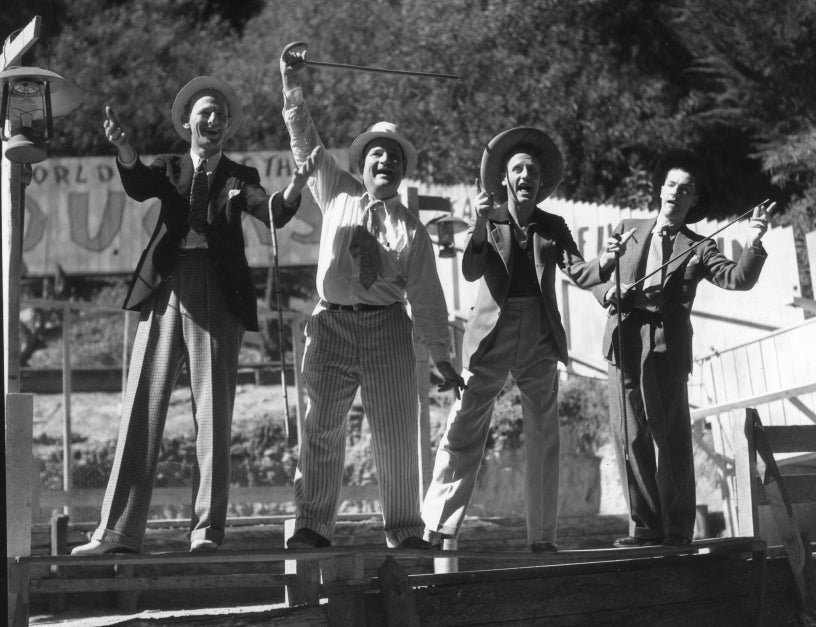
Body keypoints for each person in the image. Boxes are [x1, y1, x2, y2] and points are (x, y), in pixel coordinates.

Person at [72, 76, 320, 555]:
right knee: (141, 405)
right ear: (188, 122)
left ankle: (207, 531)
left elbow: (270, 210)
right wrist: (124, 149)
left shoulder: (239, 175)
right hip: (165, 289)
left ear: (227, 128)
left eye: (221, 115)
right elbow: (140, 183)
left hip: (218, 294)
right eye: (205, 112)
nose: (213, 120)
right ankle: (117, 533)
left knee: (213, 413)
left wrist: (294, 188)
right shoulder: (169, 166)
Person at [279, 46, 467, 549]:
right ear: (361, 163)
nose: (385, 160)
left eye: (395, 156)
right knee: (321, 428)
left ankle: (404, 531)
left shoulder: (412, 230)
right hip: (331, 325)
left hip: (388, 329)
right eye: (376, 153)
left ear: (402, 173)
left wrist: (444, 360)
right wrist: (291, 83)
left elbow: (427, 298)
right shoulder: (334, 189)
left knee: (397, 434)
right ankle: (313, 528)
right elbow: (304, 142)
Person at [421, 127, 628, 552]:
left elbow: (581, 272)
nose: (525, 177)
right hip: (490, 335)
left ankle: (542, 538)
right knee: (464, 425)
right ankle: (438, 527)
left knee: (544, 433)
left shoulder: (553, 225)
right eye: (517, 169)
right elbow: (471, 271)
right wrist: (479, 224)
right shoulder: (488, 218)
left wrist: (606, 263)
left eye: (532, 171)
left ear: (539, 182)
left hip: (538, 333)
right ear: (504, 178)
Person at [592, 149, 773, 548]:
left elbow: (737, 279)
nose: (676, 193)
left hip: (666, 349)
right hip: (622, 343)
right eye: (671, 185)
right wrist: (608, 292)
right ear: (660, 189)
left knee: (671, 440)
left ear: (694, 200)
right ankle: (645, 528)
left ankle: (676, 531)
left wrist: (754, 241)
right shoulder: (626, 227)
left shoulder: (699, 246)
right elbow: (595, 275)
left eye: (686, 189)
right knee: (629, 438)